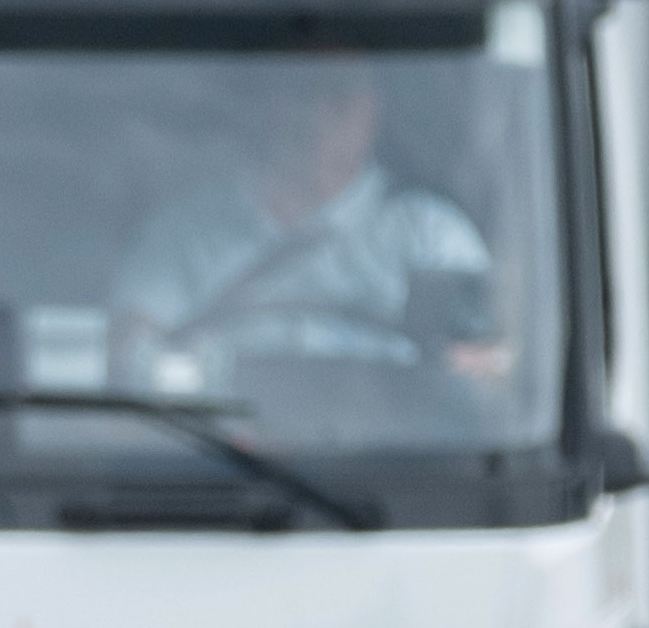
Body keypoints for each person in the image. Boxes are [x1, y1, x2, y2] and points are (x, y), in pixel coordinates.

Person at [107, 51, 507, 394]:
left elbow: (484, 366)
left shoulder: (429, 237)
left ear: (370, 115)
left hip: (394, 468)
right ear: (266, 107)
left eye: (337, 97)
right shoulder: (188, 233)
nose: (316, 116)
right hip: (218, 463)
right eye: (300, 93)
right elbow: (127, 352)